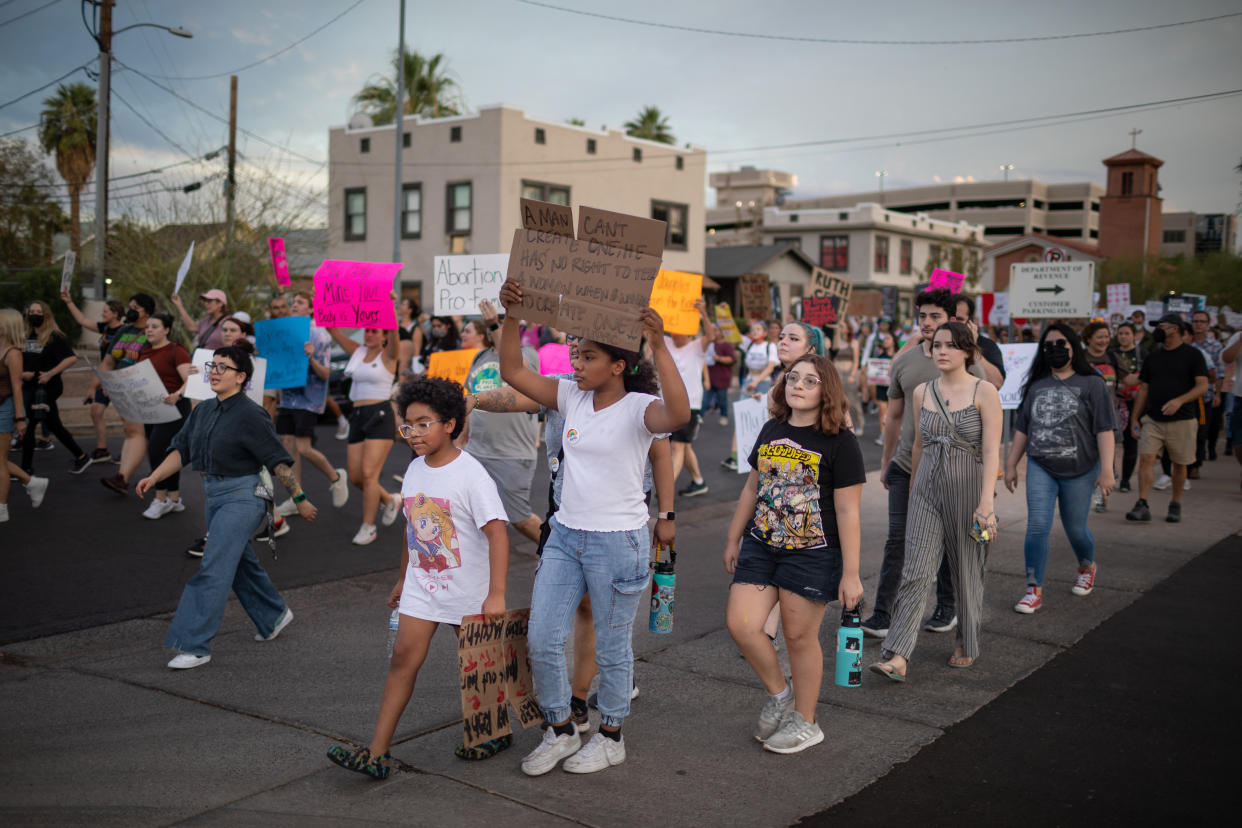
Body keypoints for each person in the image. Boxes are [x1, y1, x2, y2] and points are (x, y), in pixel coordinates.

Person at [496, 279, 690, 776]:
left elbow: (681, 413)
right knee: (542, 638)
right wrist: (513, 313)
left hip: (618, 542)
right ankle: (560, 729)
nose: (575, 365)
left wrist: (660, 344)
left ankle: (610, 736)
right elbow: (513, 369)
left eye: (586, 358)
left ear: (618, 366)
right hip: (563, 536)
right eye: (575, 355)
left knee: (612, 645)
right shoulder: (568, 397)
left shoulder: (639, 411)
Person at [465, 333, 674, 728]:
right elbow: (515, 392)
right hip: (565, 514)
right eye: (572, 342)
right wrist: (475, 399)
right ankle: (570, 707)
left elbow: (662, 453)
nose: (575, 349)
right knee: (561, 618)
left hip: (617, 521)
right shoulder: (566, 387)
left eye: (586, 346)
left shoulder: (636, 402)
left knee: (595, 613)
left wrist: (668, 514)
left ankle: (584, 699)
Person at [327, 376, 510, 778]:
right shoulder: (413, 470)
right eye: (407, 425)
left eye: (423, 423)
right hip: (423, 588)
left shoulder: (471, 474)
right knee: (402, 660)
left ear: (450, 423)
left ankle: (493, 731)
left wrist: (495, 595)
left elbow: (497, 533)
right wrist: (402, 579)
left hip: (470, 591)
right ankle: (377, 754)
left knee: (477, 665)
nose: (413, 433)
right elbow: (413, 530)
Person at [138, 345, 318, 669]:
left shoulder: (252, 414)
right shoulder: (203, 410)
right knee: (237, 563)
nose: (216, 371)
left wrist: (301, 499)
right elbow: (181, 451)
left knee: (214, 564)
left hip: (245, 497)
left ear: (241, 377)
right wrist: (153, 477)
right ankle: (274, 615)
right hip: (214, 495)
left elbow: (278, 462)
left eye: (224, 366)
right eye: (213, 365)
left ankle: (194, 645)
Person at [724, 354, 864, 753]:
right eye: (793, 378)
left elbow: (849, 510)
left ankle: (806, 720)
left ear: (827, 391)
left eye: (811, 381)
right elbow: (752, 488)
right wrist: (734, 538)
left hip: (812, 553)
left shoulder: (840, 442)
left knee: (799, 637)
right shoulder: (772, 428)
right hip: (761, 545)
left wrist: (851, 574)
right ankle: (780, 695)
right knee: (742, 624)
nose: (799, 385)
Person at [871, 322, 1002, 679]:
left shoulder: (985, 391)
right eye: (937, 345)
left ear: (968, 352)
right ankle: (897, 654)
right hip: (926, 489)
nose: (942, 351)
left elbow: (992, 450)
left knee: (966, 570)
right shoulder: (922, 393)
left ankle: (966, 640)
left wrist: (986, 503)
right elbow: (918, 447)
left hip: (970, 489)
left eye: (951, 345)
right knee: (916, 571)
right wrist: (914, 491)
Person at [863, 289, 987, 640]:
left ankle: (946, 606)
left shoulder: (966, 359)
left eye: (936, 317)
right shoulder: (904, 362)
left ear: (950, 319)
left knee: (948, 539)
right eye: (923, 317)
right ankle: (883, 614)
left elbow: (986, 402)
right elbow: (893, 417)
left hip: (952, 467)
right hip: (906, 465)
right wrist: (886, 461)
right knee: (898, 540)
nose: (928, 324)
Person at [1005, 323, 1115, 614]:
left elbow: (1105, 429)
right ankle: (1033, 589)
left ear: (1073, 347)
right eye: (1049, 345)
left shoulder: (1092, 383)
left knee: (1076, 529)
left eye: (1061, 344)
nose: (1055, 350)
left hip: (1081, 469)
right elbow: (1023, 428)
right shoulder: (1036, 385)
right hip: (1041, 466)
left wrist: (1107, 470)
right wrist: (1011, 463)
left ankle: (1086, 565)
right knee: (1038, 526)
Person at [460, 305, 544, 543]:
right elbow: (469, 403)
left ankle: (555, 553)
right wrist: (459, 443)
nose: (493, 329)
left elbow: (519, 373)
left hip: (512, 453)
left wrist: (496, 326)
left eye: (502, 325)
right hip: (477, 451)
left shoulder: (527, 355)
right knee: (474, 515)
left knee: (520, 518)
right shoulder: (480, 357)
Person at [1125, 314, 1209, 523]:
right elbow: (1144, 388)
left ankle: (1175, 503)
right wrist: (1135, 418)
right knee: (1146, 458)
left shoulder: (1193, 355)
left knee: (1179, 465)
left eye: (1163, 326)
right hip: (1153, 420)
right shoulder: (1154, 357)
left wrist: (1180, 401)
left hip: (1183, 420)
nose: (1159, 330)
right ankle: (1142, 503)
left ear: (1176, 329)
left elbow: (1203, 385)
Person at [273, 291, 349, 519]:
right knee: (289, 449)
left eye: (300, 302)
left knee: (304, 448)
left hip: (308, 400)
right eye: (293, 301)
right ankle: (297, 497)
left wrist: (311, 357)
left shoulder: (320, 335)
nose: (294, 305)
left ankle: (335, 476)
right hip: (288, 399)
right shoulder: (285, 331)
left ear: (310, 309)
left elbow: (326, 374)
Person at [325, 322, 401, 545]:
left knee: (369, 475)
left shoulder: (389, 356)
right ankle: (389, 500)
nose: (368, 334)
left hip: (379, 415)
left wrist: (391, 308)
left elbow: (395, 333)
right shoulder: (358, 352)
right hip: (357, 416)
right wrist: (320, 299)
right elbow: (333, 330)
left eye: (374, 331)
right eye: (367, 330)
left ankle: (368, 527)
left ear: (384, 336)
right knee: (357, 477)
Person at [20, 301, 91, 475]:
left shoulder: (54, 336)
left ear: (46, 315)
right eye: (32, 311)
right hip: (29, 386)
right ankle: (81, 456)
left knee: (28, 425)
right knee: (54, 425)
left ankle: (25, 469)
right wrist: (22, 374)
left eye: (39, 311)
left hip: (46, 388)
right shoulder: (26, 336)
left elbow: (70, 359)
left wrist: (50, 373)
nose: (35, 314)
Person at [98, 292, 156, 494]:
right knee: (133, 432)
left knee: (135, 432)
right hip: (121, 388)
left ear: (147, 312)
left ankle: (125, 477)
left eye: (135, 308)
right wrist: (104, 382)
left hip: (140, 388)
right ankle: (127, 477)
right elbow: (108, 361)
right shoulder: (124, 330)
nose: (130, 311)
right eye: (129, 306)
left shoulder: (152, 332)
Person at [136, 313, 192, 519]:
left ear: (166, 330)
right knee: (167, 454)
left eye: (155, 326)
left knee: (157, 451)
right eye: (147, 326)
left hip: (174, 409)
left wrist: (177, 394)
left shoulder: (176, 351)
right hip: (151, 410)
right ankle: (175, 499)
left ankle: (160, 499)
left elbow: (190, 380)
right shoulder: (144, 351)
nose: (149, 329)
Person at [61, 291, 125, 462]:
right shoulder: (104, 328)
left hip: (119, 379)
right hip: (103, 377)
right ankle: (102, 449)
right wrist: (69, 301)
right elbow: (82, 320)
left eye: (105, 311)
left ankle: (130, 450)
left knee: (127, 417)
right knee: (96, 412)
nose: (102, 314)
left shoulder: (125, 331)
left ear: (115, 314)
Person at [1, 308, 49, 521]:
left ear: (6, 325)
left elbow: (17, 386)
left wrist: (20, 418)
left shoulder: (13, 353)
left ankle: (1, 507)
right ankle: (32, 482)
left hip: (5, 409)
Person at [667, 300, 713, 498]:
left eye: (680, 331)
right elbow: (646, 330)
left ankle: (666, 489)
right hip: (667, 404)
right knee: (684, 446)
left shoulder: (697, 346)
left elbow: (710, 335)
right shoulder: (665, 342)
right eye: (673, 330)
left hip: (689, 405)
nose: (676, 334)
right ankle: (698, 481)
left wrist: (703, 311)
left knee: (677, 446)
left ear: (689, 332)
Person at [722, 321, 778, 471]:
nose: (755, 331)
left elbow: (770, 367)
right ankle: (736, 457)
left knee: (763, 420)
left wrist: (756, 381)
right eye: (753, 329)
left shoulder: (770, 346)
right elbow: (733, 336)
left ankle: (766, 457)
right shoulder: (749, 345)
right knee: (742, 418)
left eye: (758, 329)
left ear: (765, 332)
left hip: (762, 383)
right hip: (748, 383)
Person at [1081, 321, 1123, 512]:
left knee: (1107, 456)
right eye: (1099, 336)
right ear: (1088, 338)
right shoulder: (1080, 359)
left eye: (1106, 336)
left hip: (1107, 414)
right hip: (1083, 416)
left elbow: (1129, 378)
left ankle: (1101, 498)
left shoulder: (1113, 358)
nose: (1104, 340)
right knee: (1088, 455)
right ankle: (1085, 492)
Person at [1188, 310, 1224, 475]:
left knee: (1202, 431)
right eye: (1195, 321)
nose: (1198, 324)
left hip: (1206, 396)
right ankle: (1186, 463)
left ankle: (1196, 464)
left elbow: (1220, 373)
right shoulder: (1187, 344)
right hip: (1187, 396)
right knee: (1188, 431)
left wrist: (1217, 394)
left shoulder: (1215, 346)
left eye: (1202, 321)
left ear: (1208, 324)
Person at [1112, 322, 1146, 492]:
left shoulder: (1142, 353)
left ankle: (1125, 479)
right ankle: (1110, 474)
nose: (1123, 336)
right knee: (1109, 441)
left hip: (1135, 404)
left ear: (1134, 335)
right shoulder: (1112, 354)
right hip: (1115, 404)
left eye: (1127, 333)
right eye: (1120, 333)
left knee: (1131, 442)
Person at [704, 323, 735, 426]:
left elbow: (732, 359)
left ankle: (724, 415)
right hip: (710, 377)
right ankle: (700, 415)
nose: (713, 332)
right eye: (712, 330)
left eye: (716, 330)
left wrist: (719, 358)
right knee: (705, 399)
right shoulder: (708, 344)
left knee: (722, 399)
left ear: (722, 333)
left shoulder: (726, 345)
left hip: (722, 378)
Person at [396, 297, 424, 378]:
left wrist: (416, 371)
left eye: (403, 304)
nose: (400, 306)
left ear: (410, 310)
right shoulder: (396, 326)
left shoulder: (415, 329)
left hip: (406, 367)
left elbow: (416, 352)